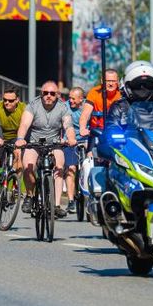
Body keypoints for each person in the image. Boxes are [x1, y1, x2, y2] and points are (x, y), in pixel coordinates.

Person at [15, 81, 77, 217]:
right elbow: (24, 124)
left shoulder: (62, 107)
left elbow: (68, 126)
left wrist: (71, 139)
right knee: (28, 166)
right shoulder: (33, 105)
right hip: (34, 142)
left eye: (52, 93)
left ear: (57, 95)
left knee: (60, 167)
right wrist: (20, 139)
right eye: (45, 93)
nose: (49, 96)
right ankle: (30, 196)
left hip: (54, 143)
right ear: (41, 94)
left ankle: (57, 205)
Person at [63, 87, 89, 215]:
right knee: (71, 169)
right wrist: (64, 139)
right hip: (70, 140)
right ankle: (71, 200)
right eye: (70, 98)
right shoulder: (65, 107)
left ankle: (90, 198)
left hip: (86, 140)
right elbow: (62, 124)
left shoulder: (88, 107)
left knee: (89, 167)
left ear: (81, 99)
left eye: (73, 98)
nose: (70, 100)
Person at [0, 87, 26, 174]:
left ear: (17, 100)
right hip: (0, 136)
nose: (7, 103)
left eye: (10, 101)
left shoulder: (23, 108)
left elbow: (25, 126)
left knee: (19, 156)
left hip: (16, 137)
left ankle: (16, 183)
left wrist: (20, 141)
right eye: (5, 100)